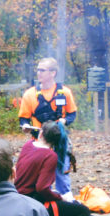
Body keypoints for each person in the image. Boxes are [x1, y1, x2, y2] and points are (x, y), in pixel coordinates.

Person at [14, 120, 92, 216]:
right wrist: (59, 197)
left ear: (41, 133)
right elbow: (42, 188)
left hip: (17, 199)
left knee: (62, 201)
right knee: (82, 211)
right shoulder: (50, 156)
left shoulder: (28, 145)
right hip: (32, 203)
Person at [17, 58, 78, 194]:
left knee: (62, 173)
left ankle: (65, 200)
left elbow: (72, 114)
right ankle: (45, 203)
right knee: (41, 176)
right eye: (38, 70)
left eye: (42, 70)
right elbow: (23, 118)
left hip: (60, 140)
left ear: (53, 73)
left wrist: (64, 121)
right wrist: (25, 126)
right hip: (39, 141)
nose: (39, 73)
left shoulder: (64, 92)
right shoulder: (30, 94)